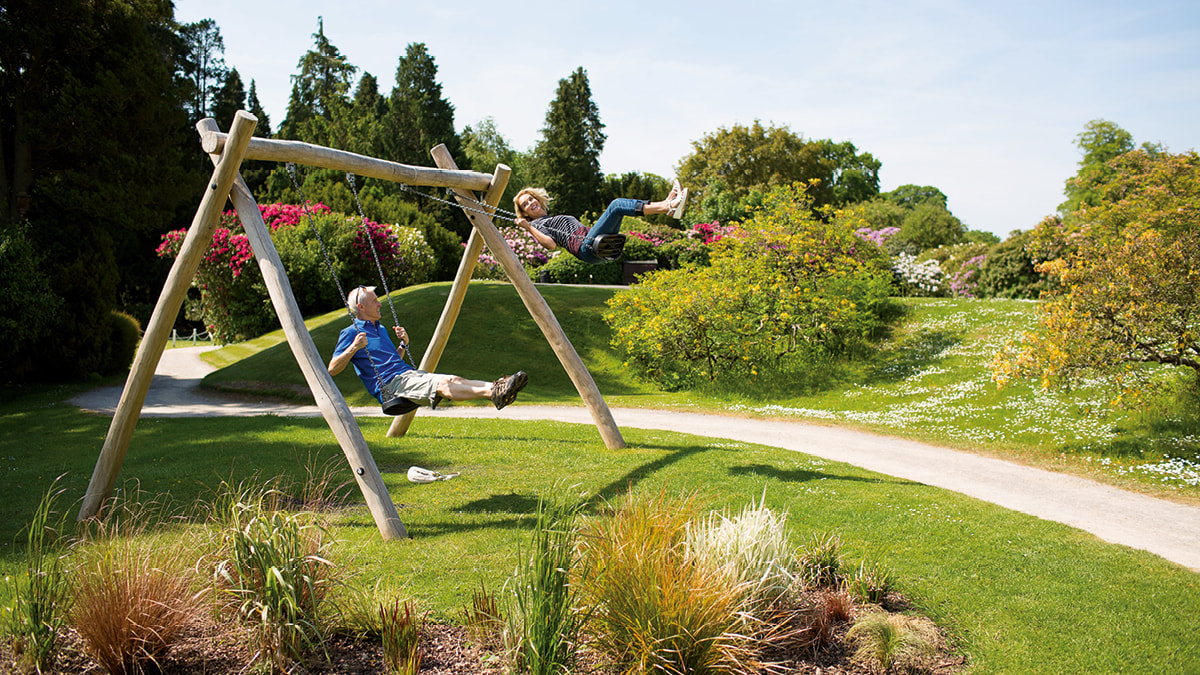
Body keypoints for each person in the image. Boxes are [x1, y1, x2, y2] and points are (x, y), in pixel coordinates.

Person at [328, 286, 527, 410]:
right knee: (443, 386)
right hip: (391, 387)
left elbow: (391, 361)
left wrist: (403, 344)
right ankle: (495, 391)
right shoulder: (351, 333)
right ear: (361, 308)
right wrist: (353, 347)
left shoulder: (380, 329)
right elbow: (332, 369)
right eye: (374, 301)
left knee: (452, 379)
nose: (380, 304)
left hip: (406, 375)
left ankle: (497, 388)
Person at [513, 180, 688, 264]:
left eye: (530, 199)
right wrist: (527, 227)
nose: (530, 204)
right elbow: (550, 245)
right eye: (525, 205)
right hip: (586, 246)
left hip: (594, 245)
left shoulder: (548, 219)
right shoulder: (536, 225)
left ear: (537, 199)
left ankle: (667, 205)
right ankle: (667, 206)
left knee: (619, 210)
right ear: (525, 212)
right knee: (617, 205)